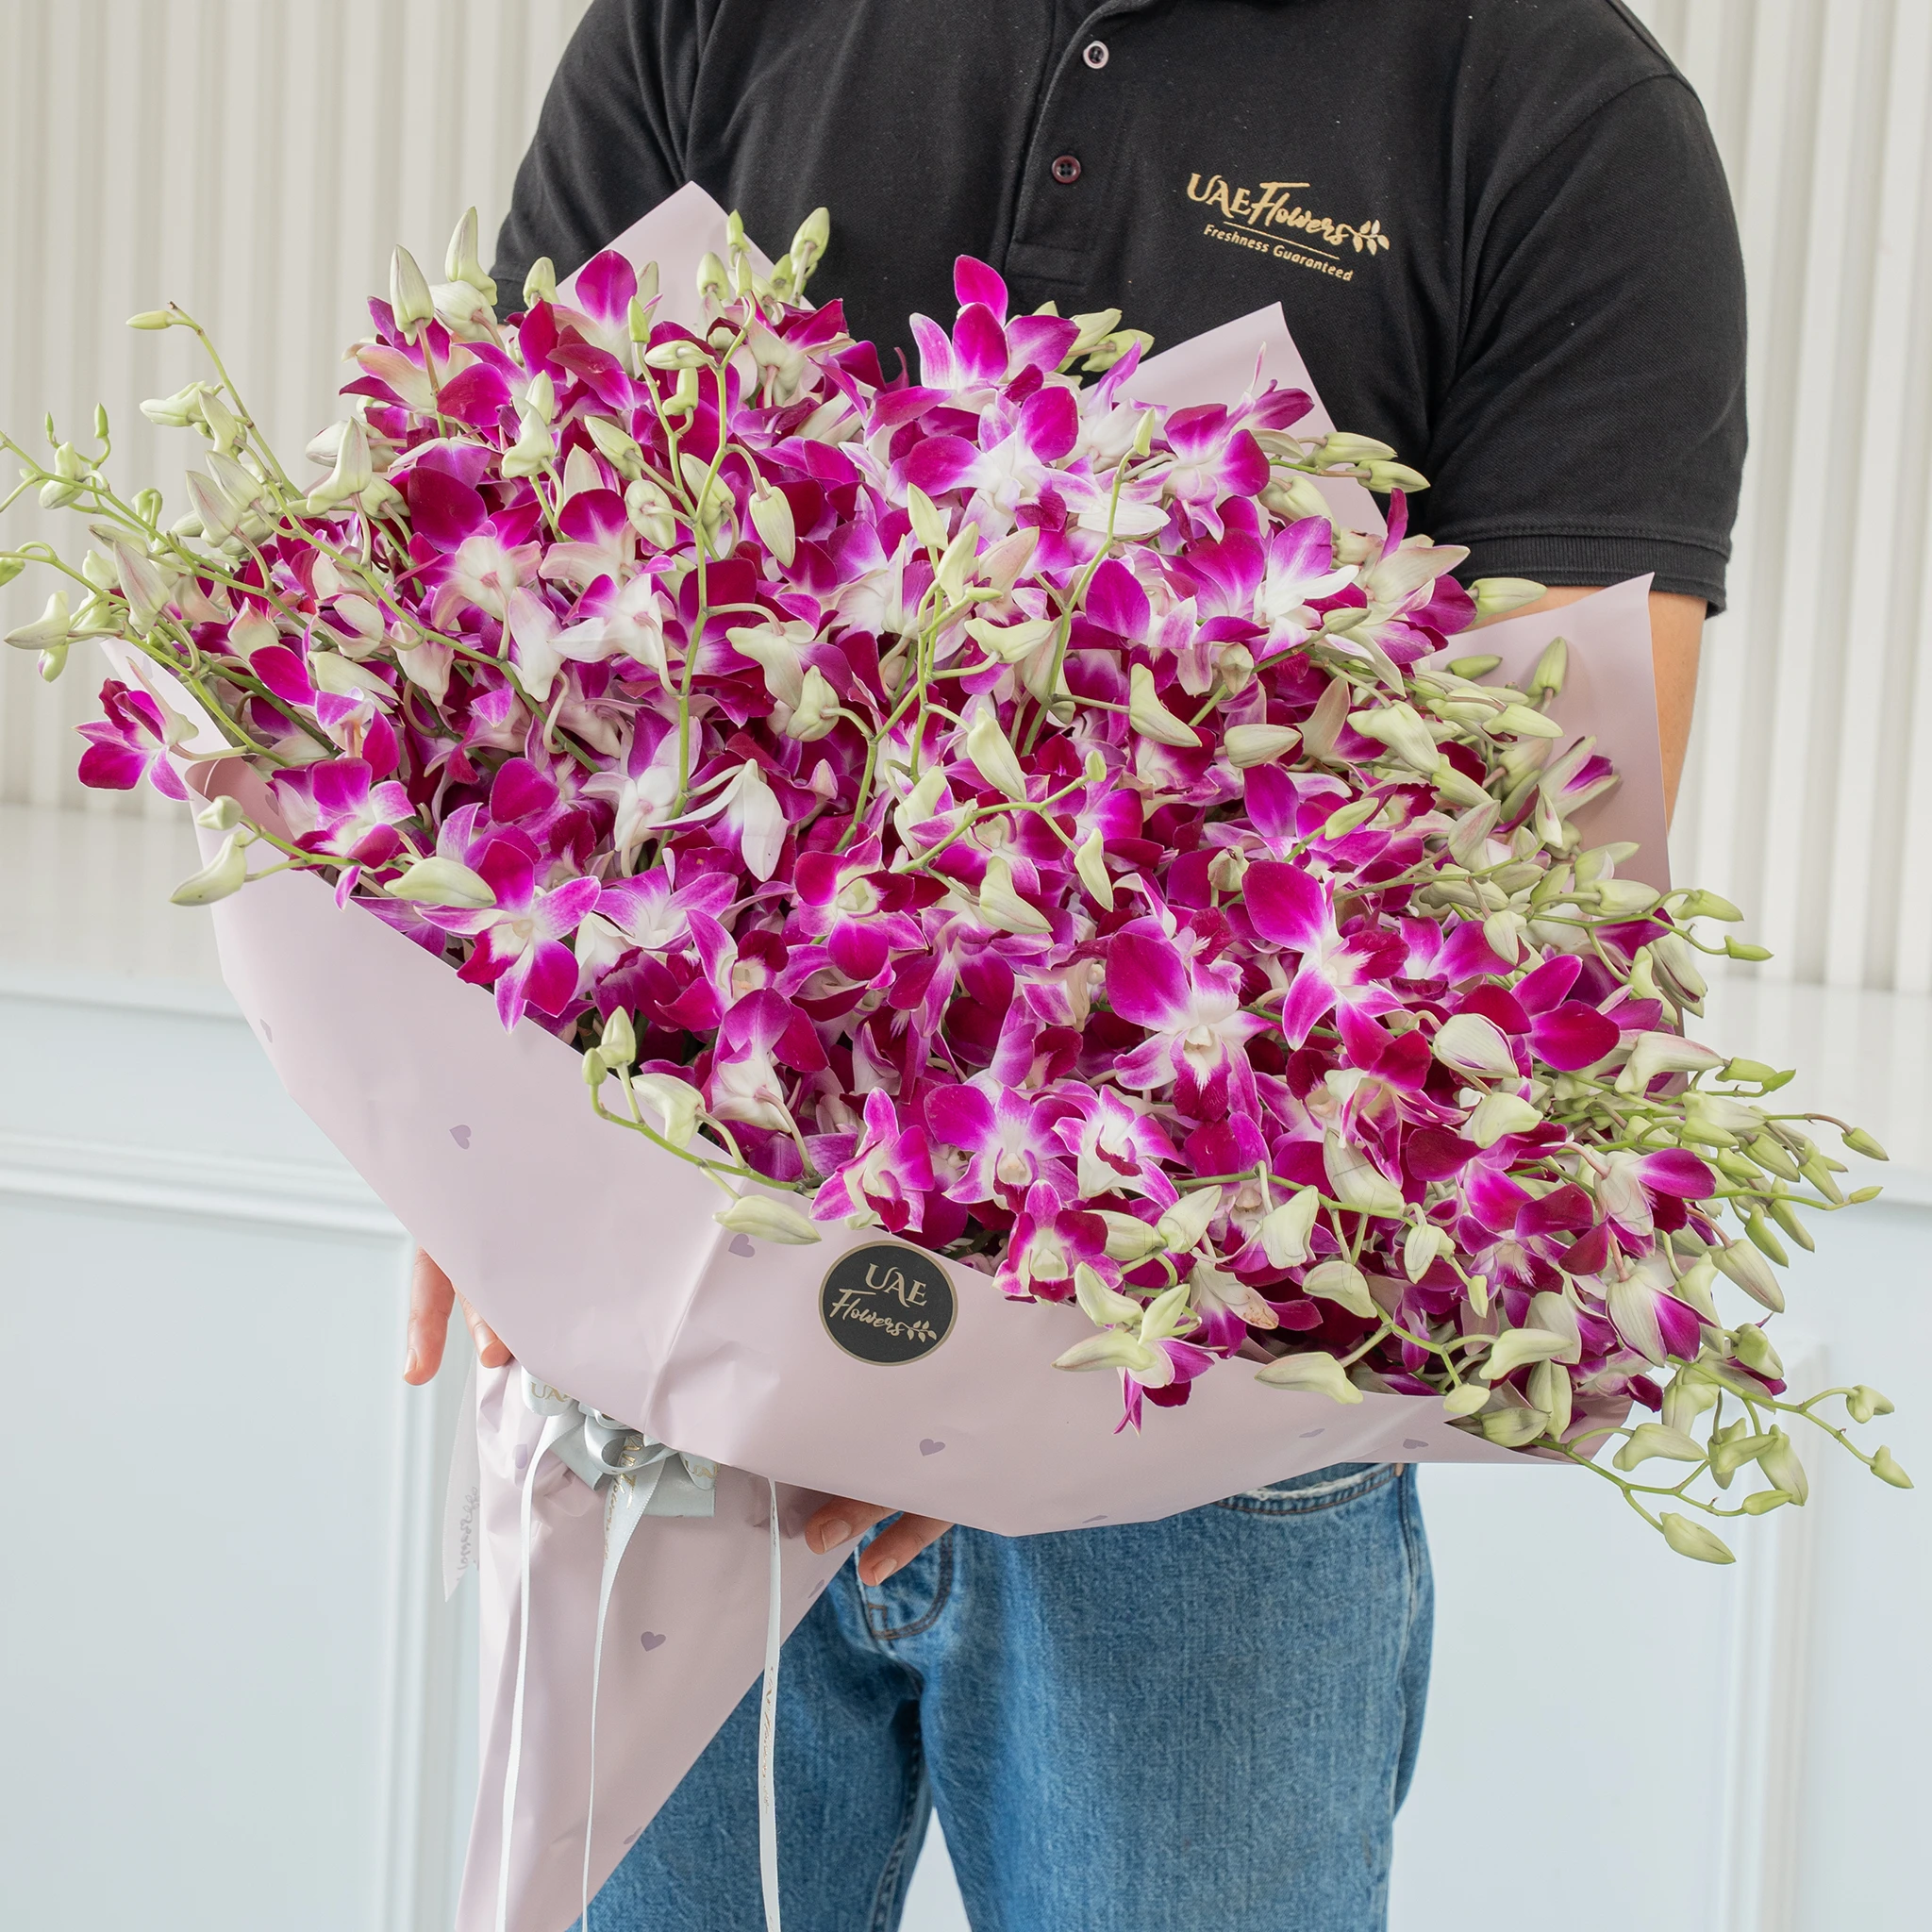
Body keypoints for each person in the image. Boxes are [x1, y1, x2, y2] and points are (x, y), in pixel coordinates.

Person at [406, 3, 1744, 1924]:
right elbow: (484, 590)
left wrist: (973, 1351)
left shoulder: (1550, 104)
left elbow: (1539, 862)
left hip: (1190, 1420)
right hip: (666, 1344)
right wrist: (457, 1123)